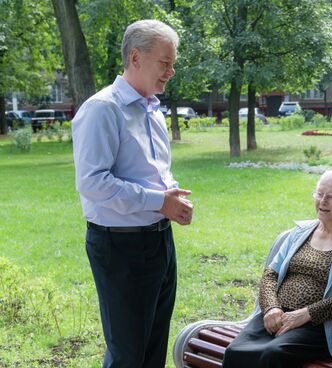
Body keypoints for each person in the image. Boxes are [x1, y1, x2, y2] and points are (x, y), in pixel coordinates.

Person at [72, 19, 193, 368]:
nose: (171, 72)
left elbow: (148, 172)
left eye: (173, 63)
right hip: (121, 247)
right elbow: (93, 182)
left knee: (153, 348)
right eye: (165, 62)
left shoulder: (151, 108)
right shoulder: (102, 109)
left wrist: (172, 198)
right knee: (128, 354)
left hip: (158, 241)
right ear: (136, 58)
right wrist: (159, 202)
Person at [223, 169, 332, 368]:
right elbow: (271, 274)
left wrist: (306, 314)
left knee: (273, 354)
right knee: (236, 351)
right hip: (277, 315)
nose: (322, 201)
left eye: (330, 197)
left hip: (320, 325)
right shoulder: (300, 232)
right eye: (319, 194)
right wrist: (271, 308)